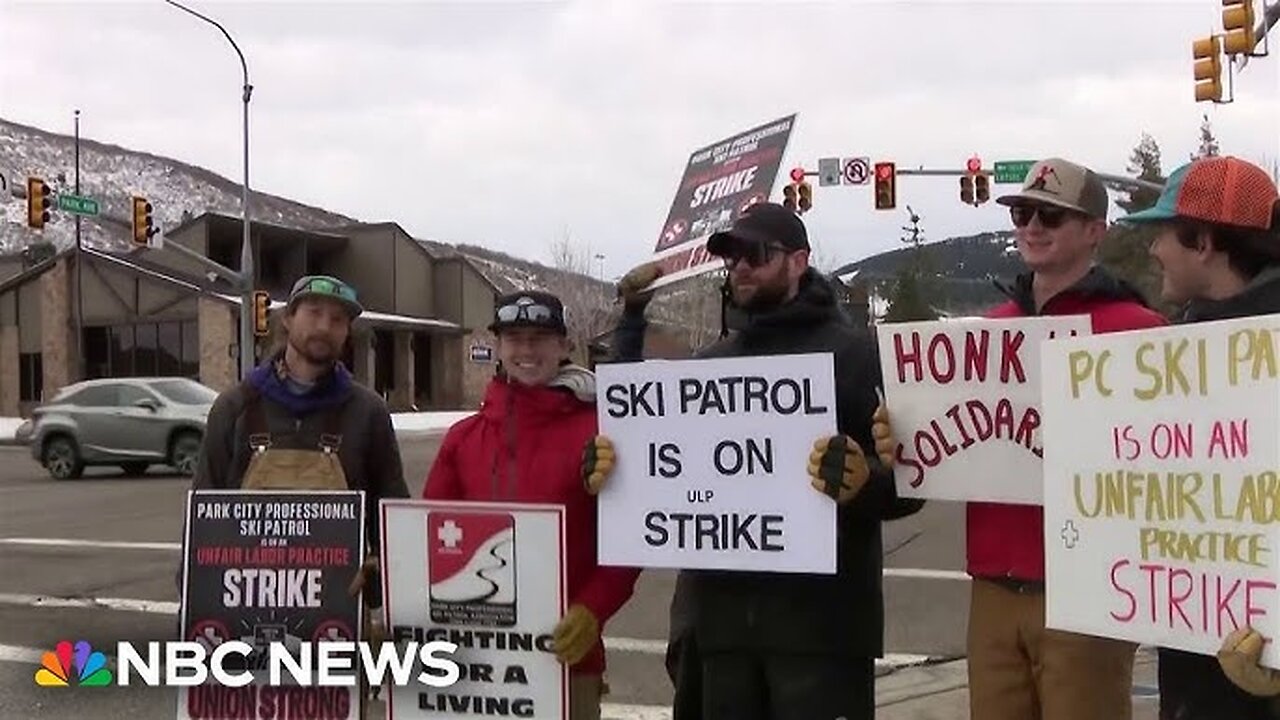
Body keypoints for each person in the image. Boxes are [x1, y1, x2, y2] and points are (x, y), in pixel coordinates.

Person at [586, 201, 919, 720]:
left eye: (757, 253)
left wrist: (864, 484)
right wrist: (631, 324)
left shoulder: (855, 356)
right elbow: (642, 438)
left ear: (798, 261)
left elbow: (911, 484)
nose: (740, 265)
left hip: (821, 635)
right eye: (731, 254)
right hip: (721, 633)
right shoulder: (714, 365)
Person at [953, 158, 1169, 720]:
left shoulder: (1140, 333)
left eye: (1051, 215)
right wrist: (900, 436)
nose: (1031, 227)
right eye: (1023, 213)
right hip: (993, 587)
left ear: (1095, 230)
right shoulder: (987, 333)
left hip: (1088, 592)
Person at [189, 274, 410, 715]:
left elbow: (393, 513)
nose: (325, 326)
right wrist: (193, 604)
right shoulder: (235, 407)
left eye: (338, 319)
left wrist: (385, 581)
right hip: (242, 621)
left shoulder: (368, 412)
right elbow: (202, 516)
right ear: (288, 320)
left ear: (347, 333)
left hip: (338, 620)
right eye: (313, 313)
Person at [422, 290, 641, 720]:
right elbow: (428, 536)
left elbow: (628, 542)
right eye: (514, 338)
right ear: (499, 347)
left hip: (566, 658)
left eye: (539, 337)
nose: (526, 350)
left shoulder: (603, 433)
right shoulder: (463, 438)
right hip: (476, 662)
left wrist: (592, 609)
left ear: (562, 346)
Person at [1116, 154, 1280, 719]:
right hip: (1190, 669)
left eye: (1164, 234)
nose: (1155, 249)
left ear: (1204, 241)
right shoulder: (1180, 348)